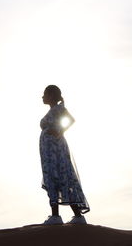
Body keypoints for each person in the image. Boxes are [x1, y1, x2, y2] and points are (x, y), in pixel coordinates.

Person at [39, 85, 90, 225]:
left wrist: (60, 131)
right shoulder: (53, 110)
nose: (42, 97)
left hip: (55, 150)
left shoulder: (59, 108)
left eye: (45, 94)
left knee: (59, 176)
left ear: (51, 95)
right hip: (49, 150)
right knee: (55, 176)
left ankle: (56, 216)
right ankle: (77, 217)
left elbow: (71, 120)